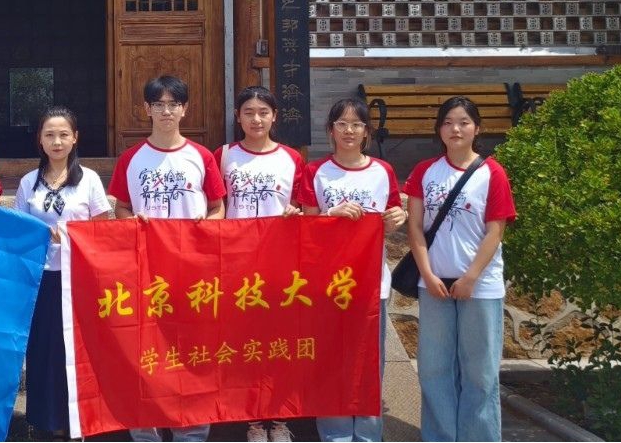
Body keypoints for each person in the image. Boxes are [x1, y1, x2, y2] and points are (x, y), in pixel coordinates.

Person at [109, 74, 226, 443]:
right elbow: (121, 208)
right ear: (146, 109)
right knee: (145, 352)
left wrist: (202, 230)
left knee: (193, 352)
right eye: (158, 104)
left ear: (185, 109)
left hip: (193, 274)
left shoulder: (201, 156)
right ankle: (146, 432)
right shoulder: (131, 158)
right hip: (146, 273)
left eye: (173, 104)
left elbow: (218, 208)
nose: (166, 111)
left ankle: (192, 431)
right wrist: (132, 223)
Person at [401, 96, 517, 442]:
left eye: (464, 122)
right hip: (434, 283)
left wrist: (471, 277)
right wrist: (427, 274)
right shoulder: (425, 171)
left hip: (479, 285)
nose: (456, 129)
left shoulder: (492, 172)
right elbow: (415, 228)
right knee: (434, 369)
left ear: (477, 128)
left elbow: (495, 231)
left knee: (480, 373)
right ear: (439, 129)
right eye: (448, 122)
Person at [296, 98, 406, 443]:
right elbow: (306, 225)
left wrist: (398, 218)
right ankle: (335, 433)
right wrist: (332, 214)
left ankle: (369, 435)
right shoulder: (316, 171)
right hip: (327, 283)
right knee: (330, 361)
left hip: (371, 283)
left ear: (366, 132)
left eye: (356, 124)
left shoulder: (382, 171)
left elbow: (392, 217)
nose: (349, 131)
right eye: (341, 124)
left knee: (370, 364)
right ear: (330, 130)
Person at [14, 106, 112, 439]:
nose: (57, 142)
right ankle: (43, 420)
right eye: (50, 135)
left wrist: (71, 235)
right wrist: (42, 234)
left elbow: (103, 229)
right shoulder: (29, 182)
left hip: (78, 278)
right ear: (40, 140)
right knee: (42, 348)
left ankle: (79, 420)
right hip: (40, 278)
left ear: (75, 139)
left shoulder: (89, 180)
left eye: (63, 135)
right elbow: (18, 229)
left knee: (77, 347)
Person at [216, 86, 304, 443]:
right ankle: (253, 419)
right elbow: (216, 205)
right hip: (237, 265)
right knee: (245, 346)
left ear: (274, 116)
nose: (256, 119)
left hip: (279, 265)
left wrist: (296, 212)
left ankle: (279, 419)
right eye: (249, 112)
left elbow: (304, 206)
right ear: (237, 117)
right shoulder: (224, 156)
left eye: (263, 112)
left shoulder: (291, 158)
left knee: (279, 344)